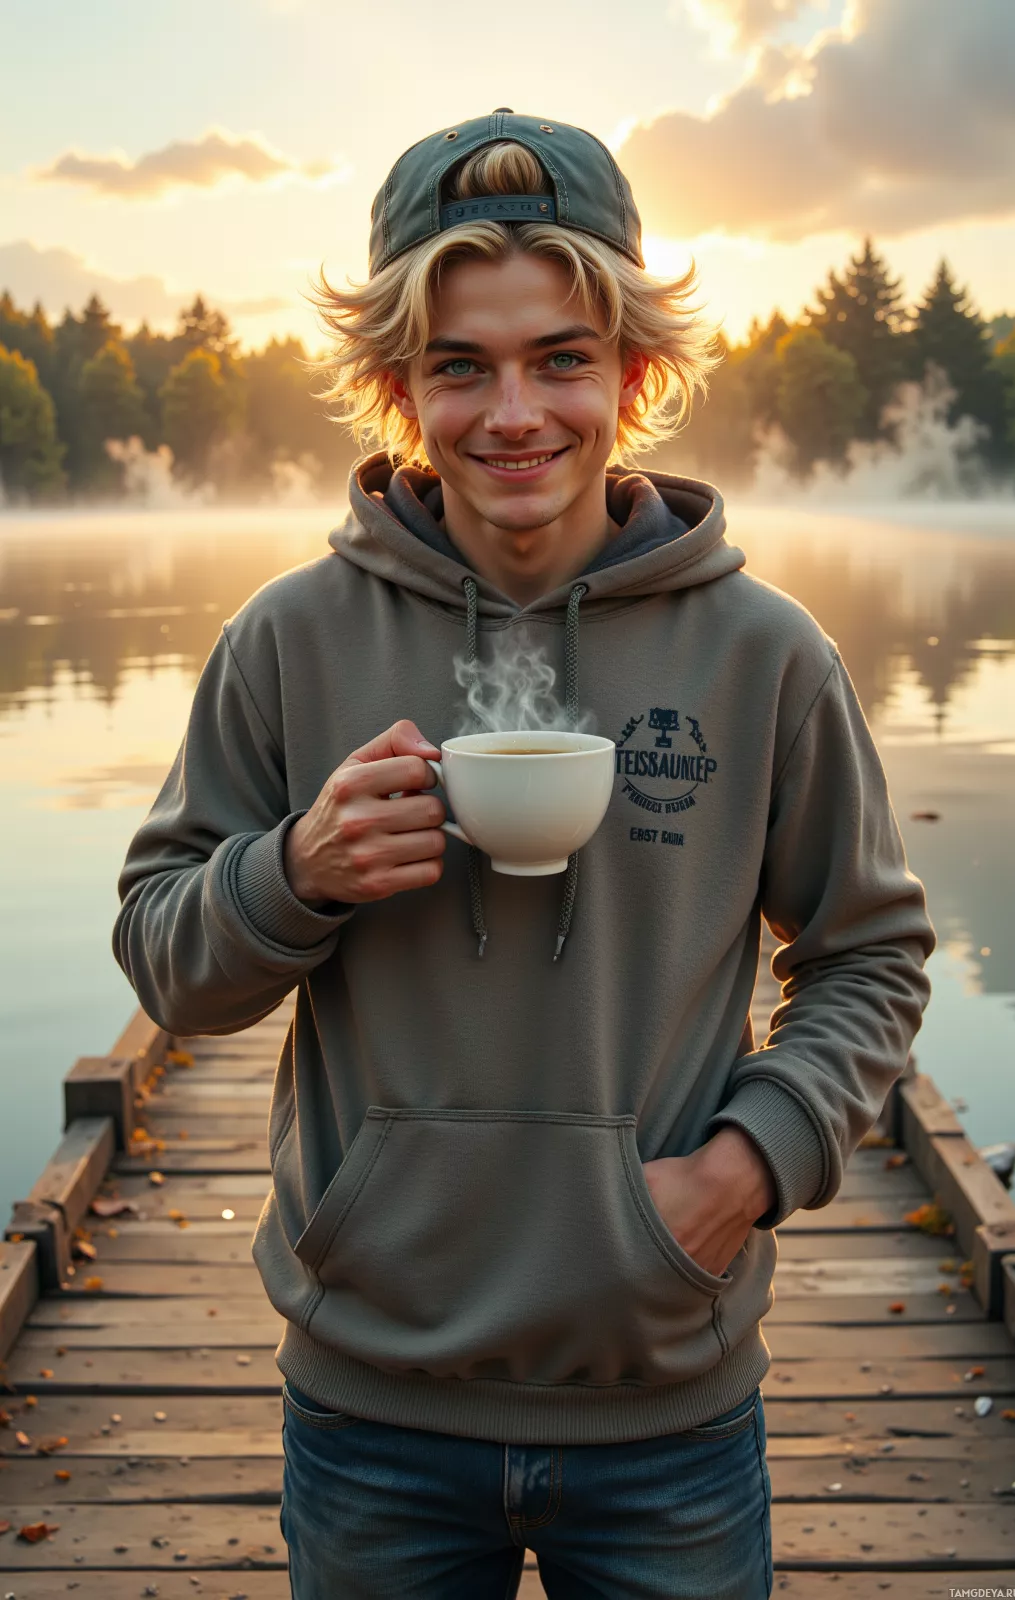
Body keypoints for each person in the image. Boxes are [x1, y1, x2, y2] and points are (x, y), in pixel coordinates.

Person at [113, 109, 936, 1600]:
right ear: (392, 384)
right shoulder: (290, 641)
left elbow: (869, 954)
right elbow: (168, 959)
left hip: (667, 1409)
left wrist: (748, 1165)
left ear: (636, 372)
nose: (514, 414)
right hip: (371, 1406)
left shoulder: (765, 656)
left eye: (562, 358)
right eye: (459, 365)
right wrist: (291, 873)